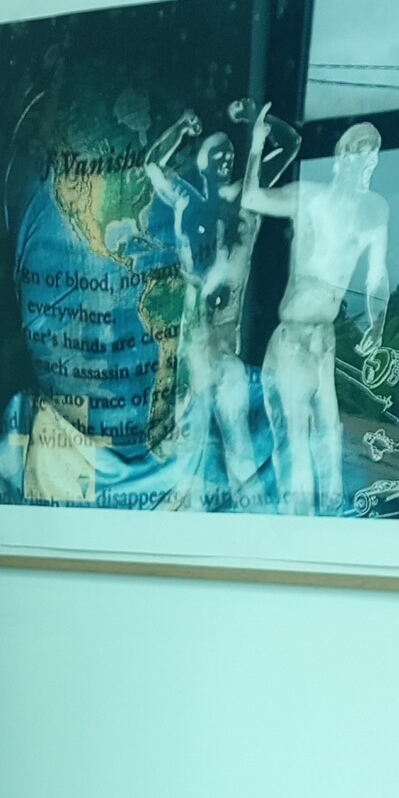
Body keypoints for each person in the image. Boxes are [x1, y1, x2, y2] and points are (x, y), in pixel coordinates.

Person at [240, 113, 391, 515]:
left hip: (324, 338)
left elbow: (377, 276)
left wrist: (377, 324)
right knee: (295, 434)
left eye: (374, 159)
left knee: (329, 434)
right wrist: (257, 145)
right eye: (363, 157)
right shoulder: (308, 196)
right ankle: (299, 525)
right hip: (293, 337)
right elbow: (251, 199)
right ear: (343, 158)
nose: (369, 167)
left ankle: (327, 524)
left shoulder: (373, 210)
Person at [140, 108, 263, 507]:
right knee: (190, 441)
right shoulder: (185, 200)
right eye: (217, 153)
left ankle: (252, 512)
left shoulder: (243, 203)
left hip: (224, 342)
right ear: (202, 161)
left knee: (235, 438)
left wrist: (257, 124)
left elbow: (288, 145)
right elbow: (152, 164)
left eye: (231, 154)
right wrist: (180, 127)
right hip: (193, 341)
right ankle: (191, 508)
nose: (226, 159)